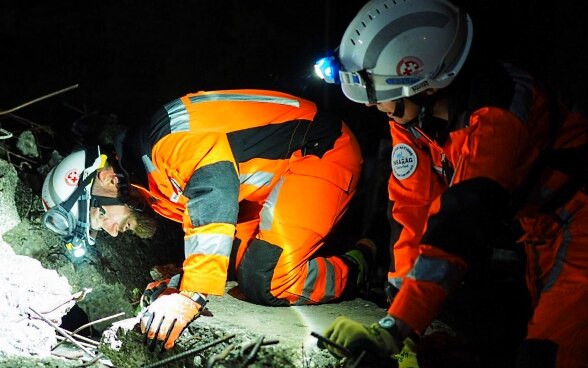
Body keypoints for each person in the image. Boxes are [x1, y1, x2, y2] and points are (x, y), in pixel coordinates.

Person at [313, 0, 588, 367]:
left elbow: (461, 221)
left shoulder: (498, 114)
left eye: (381, 95)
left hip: (579, 220)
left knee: (549, 355)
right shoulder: (412, 120)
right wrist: (401, 320)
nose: (372, 106)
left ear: (425, 85)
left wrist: (393, 330)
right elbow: (412, 210)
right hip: (540, 230)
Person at [42, 89, 372, 350]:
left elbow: (215, 190)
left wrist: (192, 294)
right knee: (236, 268)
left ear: (106, 179)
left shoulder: (164, 145)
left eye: (101, 217)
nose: (113, 233)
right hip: (268, 185)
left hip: (319, 151)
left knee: (266, 279)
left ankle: (359, 264)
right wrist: (181, 283)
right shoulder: (149, 187)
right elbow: (215, 228)